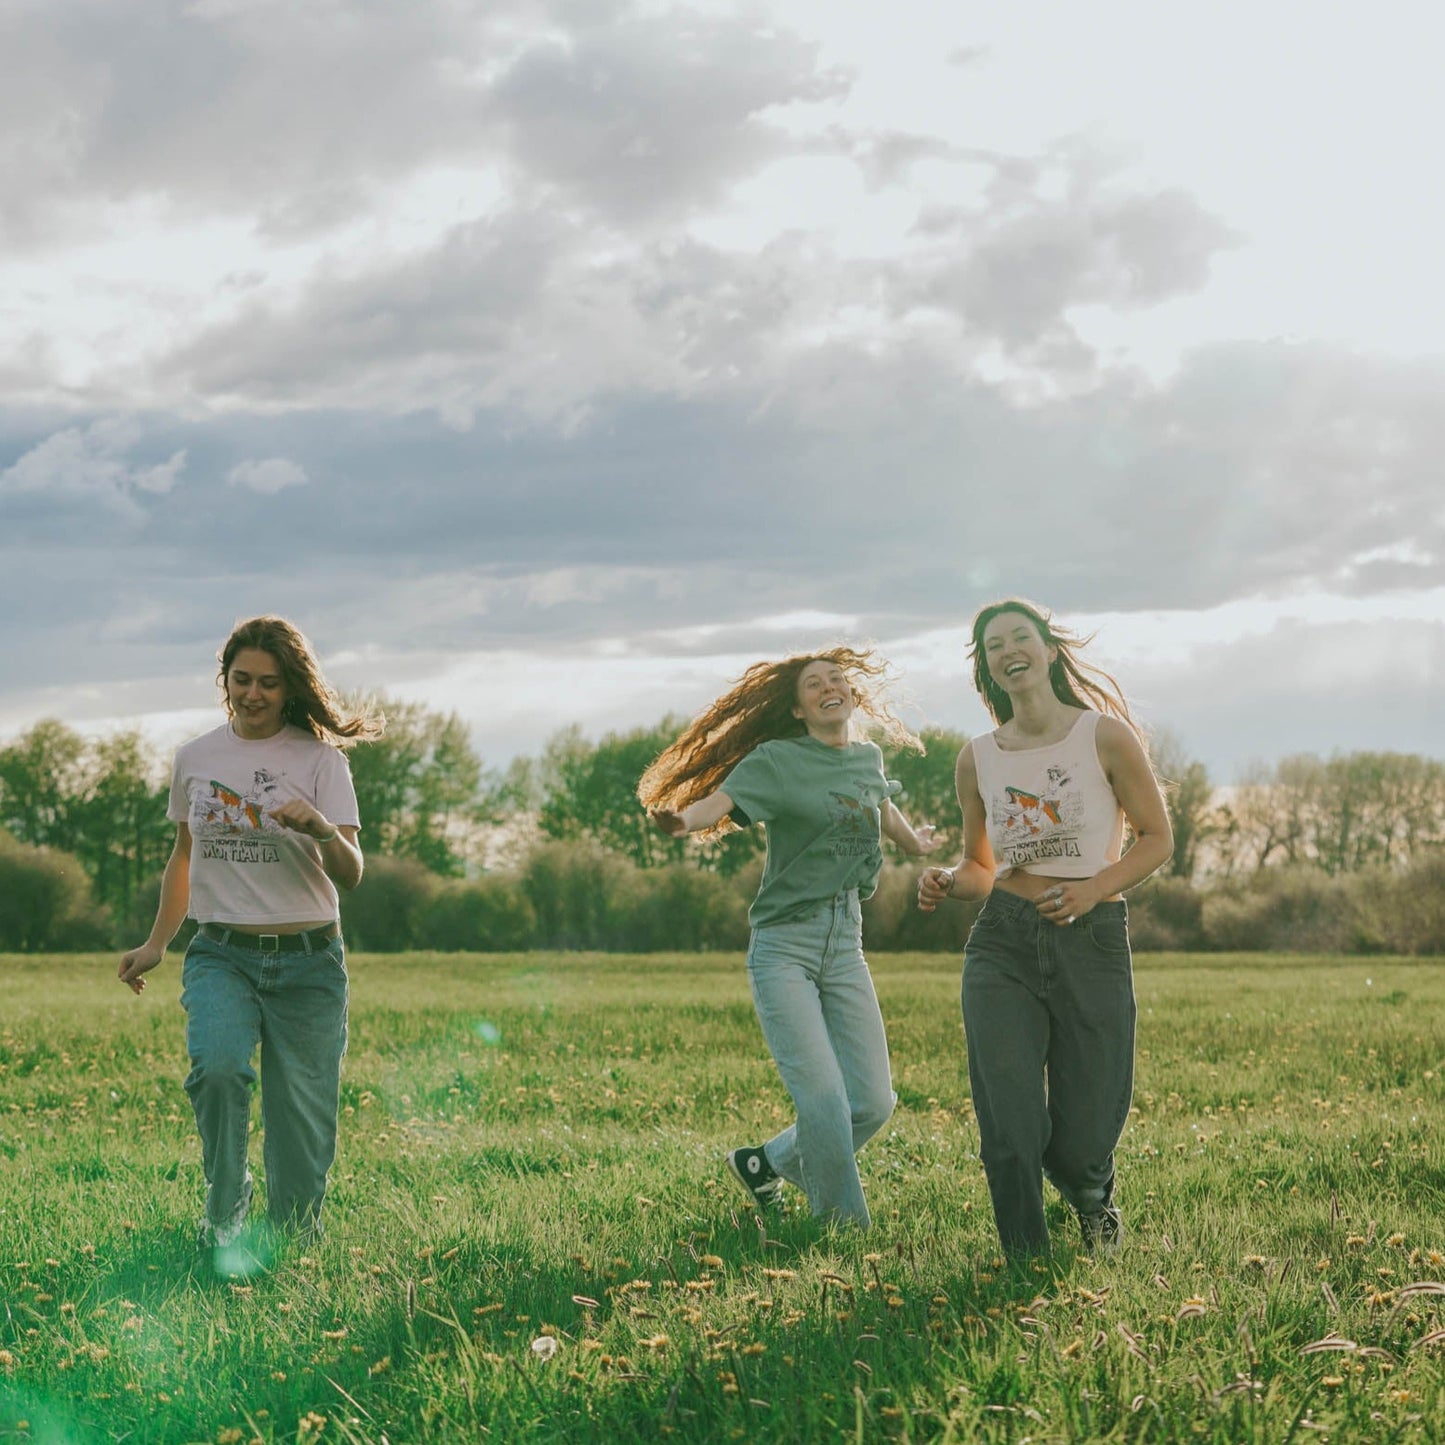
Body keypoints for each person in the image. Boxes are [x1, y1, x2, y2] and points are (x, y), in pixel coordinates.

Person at [639, 647, 937, 1228]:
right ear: (798, 709)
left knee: (873, 1102)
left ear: (851, 695)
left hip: (846, 942)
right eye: (813, 685)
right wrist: (682, 821)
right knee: (823, 1101)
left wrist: (916, 843)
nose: (830, 688)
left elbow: (880, 803)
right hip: (785, 947)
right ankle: (842, 1230)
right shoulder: (777, 760)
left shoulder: (868, 758)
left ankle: (765, 1162)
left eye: (837, 680)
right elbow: (719, 803)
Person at [119, 616, 382, 1269]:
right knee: (217, 1069)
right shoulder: (197, 757)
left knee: (301, 1117)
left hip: (308, 962)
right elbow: (184, 856)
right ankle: (224, 1208)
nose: (254, 693)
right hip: (221, 953)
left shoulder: (321, 761)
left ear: (290, 686)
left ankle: (294, 1231)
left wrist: (321, 829)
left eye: (269, 682)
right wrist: (157, 942)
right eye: (242, 679)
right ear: (225, 679)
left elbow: (350, 873)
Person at [917, 598, 1172, 1255]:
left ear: (1049, 650)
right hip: (1001, 938)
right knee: (1010, 1120)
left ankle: (1091, 1197)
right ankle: (1024, 1261)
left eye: (1018, 636)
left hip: (1089, 936)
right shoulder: (977, 757)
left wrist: (1091, 890)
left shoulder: (1104, 736)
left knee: (1086, 1125)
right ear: (986, 668)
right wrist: (949, 879)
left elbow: (1154, 838)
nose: (1007, 649)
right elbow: (979, 865)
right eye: (991, 644)